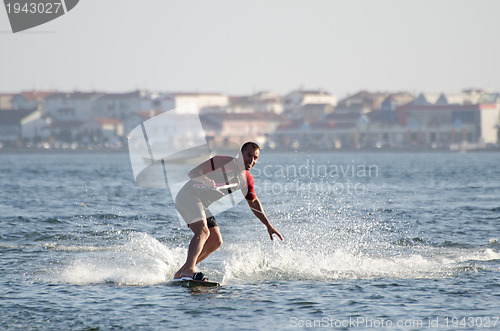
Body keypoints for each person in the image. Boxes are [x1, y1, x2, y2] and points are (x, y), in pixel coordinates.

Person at [173, 142, 283, 281]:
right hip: (188, 196)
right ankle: (189, 271)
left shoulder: (246, 179)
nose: (251, 160)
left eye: (255, 158)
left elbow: (253, 202)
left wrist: (268, 225)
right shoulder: (222, 161)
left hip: (202, 204)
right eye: (248, 155)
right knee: (203, 231)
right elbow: (193, 173)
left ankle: (181, 272)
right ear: (240, 154)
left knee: (215, 240)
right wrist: (204, 179)